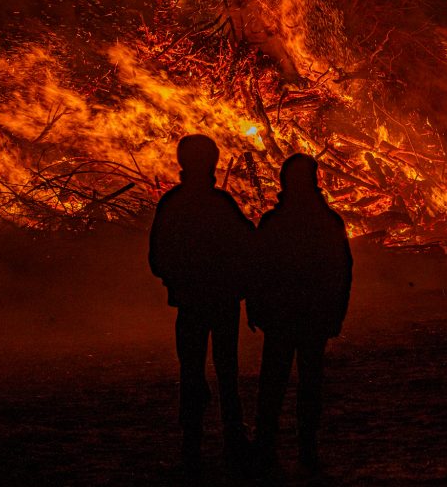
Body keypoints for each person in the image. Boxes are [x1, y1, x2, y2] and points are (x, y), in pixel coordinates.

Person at [148, 134, 255, 477]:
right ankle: (233, 439)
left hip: (191, 302)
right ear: (212, 163)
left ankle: (191, 445)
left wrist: (178, 280)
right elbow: (247, 246)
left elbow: (157, 257)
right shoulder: (221, 204)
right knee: (227, 371)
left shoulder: (173, 204)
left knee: (191, 370)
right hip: (222, 301)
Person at [248, 154, 352, 475]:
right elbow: (342, 271)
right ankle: (306, 447)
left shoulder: (274, 222)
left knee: (274, 382)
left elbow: (257, 269)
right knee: (309, 382)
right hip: (313, 316)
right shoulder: (328, 221)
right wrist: (336, 313)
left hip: (282, 315)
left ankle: (266, 446)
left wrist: (255, 307)